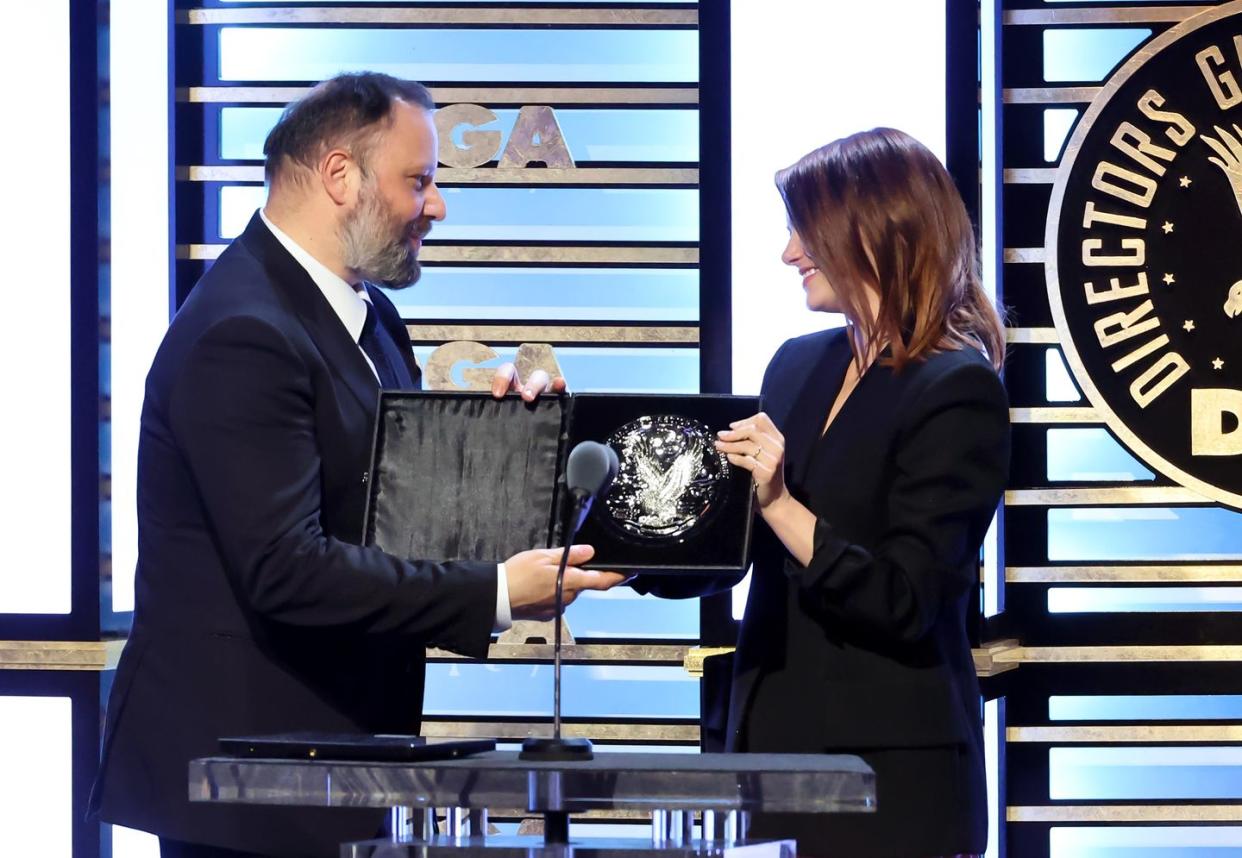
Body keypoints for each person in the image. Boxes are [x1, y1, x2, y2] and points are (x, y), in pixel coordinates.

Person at [90, 73, 625, 858]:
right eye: (420, 180)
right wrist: (502, 593)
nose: (437, 206)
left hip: (341, 771)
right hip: (251, 791)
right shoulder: (242, 333)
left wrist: (513, 451)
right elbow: (285, 568)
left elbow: (388, 507)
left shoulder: (369, 317)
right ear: (339, 176)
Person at [644, 128, 1010, 857]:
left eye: (803, 231)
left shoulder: (957, 389)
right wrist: (623, 540)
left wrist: (782, 503)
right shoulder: (797, 364)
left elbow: (905, 599)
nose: (789, 254)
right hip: (770, 755)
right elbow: (734, 544)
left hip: (889, 776)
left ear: (873, 231)